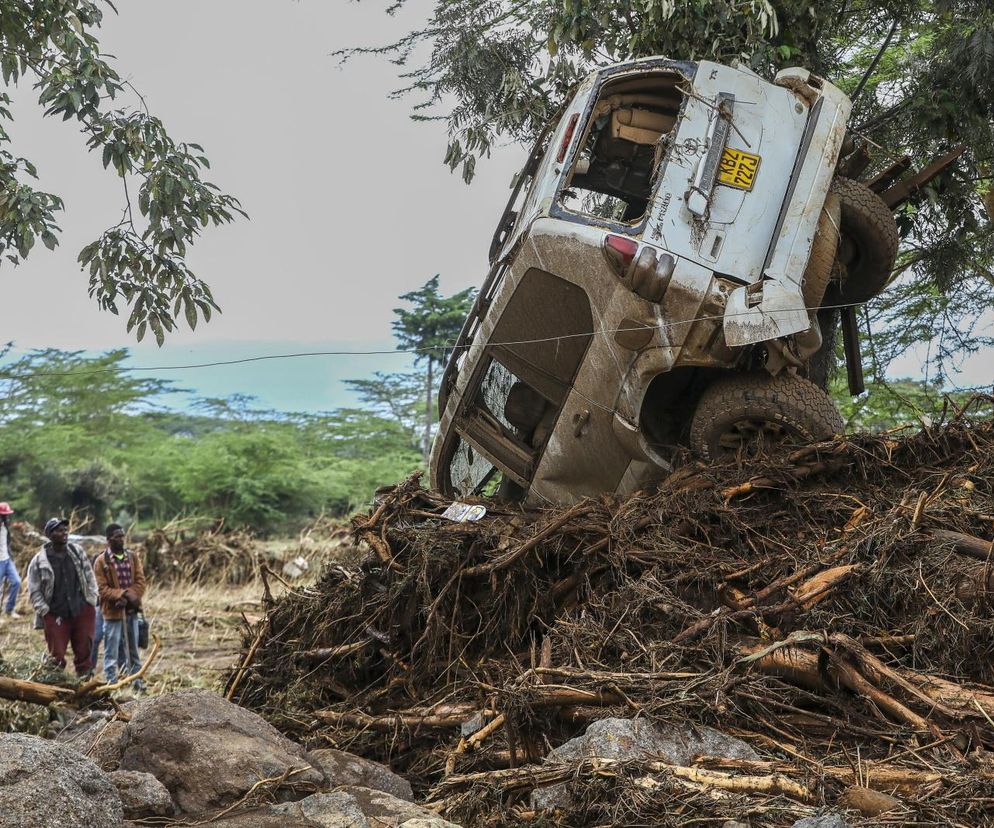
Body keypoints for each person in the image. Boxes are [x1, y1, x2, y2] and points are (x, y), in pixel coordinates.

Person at [26, 518, 98, 675]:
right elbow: (34, 589)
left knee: (84, 651)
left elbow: (89, 575)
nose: (64, 533)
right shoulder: (39, 561)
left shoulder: (77, 552)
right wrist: (44, 610)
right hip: (55, 614)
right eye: (59, 530)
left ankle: (85, 684)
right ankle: (56, 687)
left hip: (81, 609)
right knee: (56, 655)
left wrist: (92, 598)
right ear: (50, 535)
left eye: (65, 530)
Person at [93, 524, 146, 687]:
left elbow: (140, 581)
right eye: (118, 537)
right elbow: (102, 589)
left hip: (131, 610)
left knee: (133, 650)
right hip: (112, 612)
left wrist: (130, 596)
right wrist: (120, 595)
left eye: (123, 536)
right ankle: (112, 682)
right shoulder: (102, 561)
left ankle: (136, 680)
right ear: (109, 540)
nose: (121, 539)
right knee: (111, 650)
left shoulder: (132, 557)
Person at [0, 502, 21, 620]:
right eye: (3, 515)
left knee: (16, 582)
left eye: (6, 515)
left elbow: (7, 543)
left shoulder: (5, 526)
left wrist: (10, 556)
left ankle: (9, 609)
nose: (5, 517)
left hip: (7, 559)